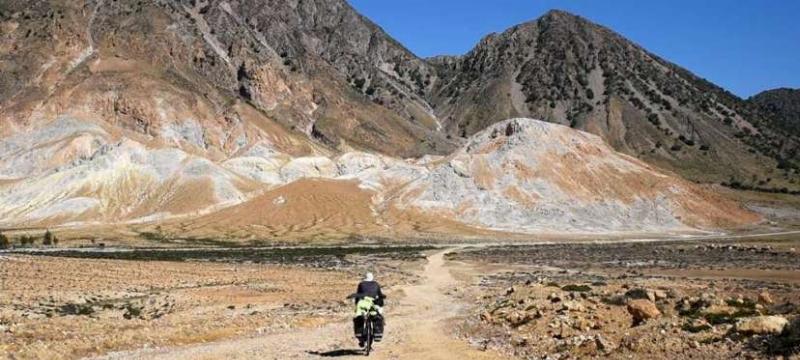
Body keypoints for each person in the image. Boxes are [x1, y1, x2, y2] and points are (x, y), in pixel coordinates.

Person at [352, 272, 385, 347]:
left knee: (359, 317)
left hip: (363, 304)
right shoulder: (376, 284)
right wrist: (381, 305)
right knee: (377, 317)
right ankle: (376, 334)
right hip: (373, 304)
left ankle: (360, 336)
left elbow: (358, 296)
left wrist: (357, 305)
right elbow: (380, 295)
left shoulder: (361, 284)